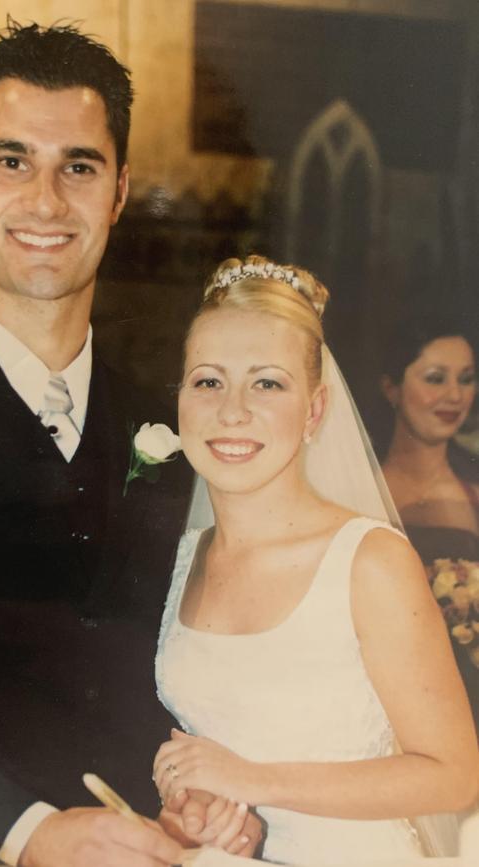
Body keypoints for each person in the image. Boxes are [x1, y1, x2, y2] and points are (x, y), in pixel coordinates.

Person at [0, 21, 262, 867]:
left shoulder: (178, 433)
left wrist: (208, 794)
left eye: (80, 166)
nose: (46, 203)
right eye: (11, 160)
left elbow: (181, 671)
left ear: (122, 188)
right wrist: (27, 831)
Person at [153, 255, 479, 865]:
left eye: (268, 382)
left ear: (316, 411)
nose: (231, 410)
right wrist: (196, 812)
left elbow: (453, 776)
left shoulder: (369, 561)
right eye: (208, 380)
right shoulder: (187, 555)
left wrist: (254, 780)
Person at [379, 316, 479, 729]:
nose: (455, 395)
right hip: (391, 706)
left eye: (467, 378)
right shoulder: (360, 490)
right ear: (392, 389)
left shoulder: (473, 486)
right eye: (436, 378)